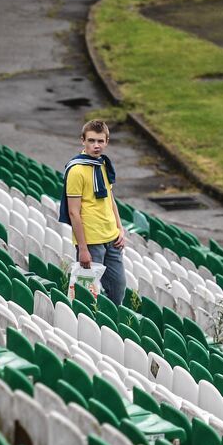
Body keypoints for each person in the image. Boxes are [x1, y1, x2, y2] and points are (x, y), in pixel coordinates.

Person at [59, 119, 127, 305]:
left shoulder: (103, 164)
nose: (96, 145)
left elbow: (109, 198)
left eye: (100, 141)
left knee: (118, 289)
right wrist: (83, 248)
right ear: (83, 140)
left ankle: (111, 329)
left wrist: (120, 229)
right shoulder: (76, 170)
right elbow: (74, 212)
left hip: (111, 237)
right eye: (91, 140)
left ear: (106, 142)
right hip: (91, 241)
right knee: (87, 294)